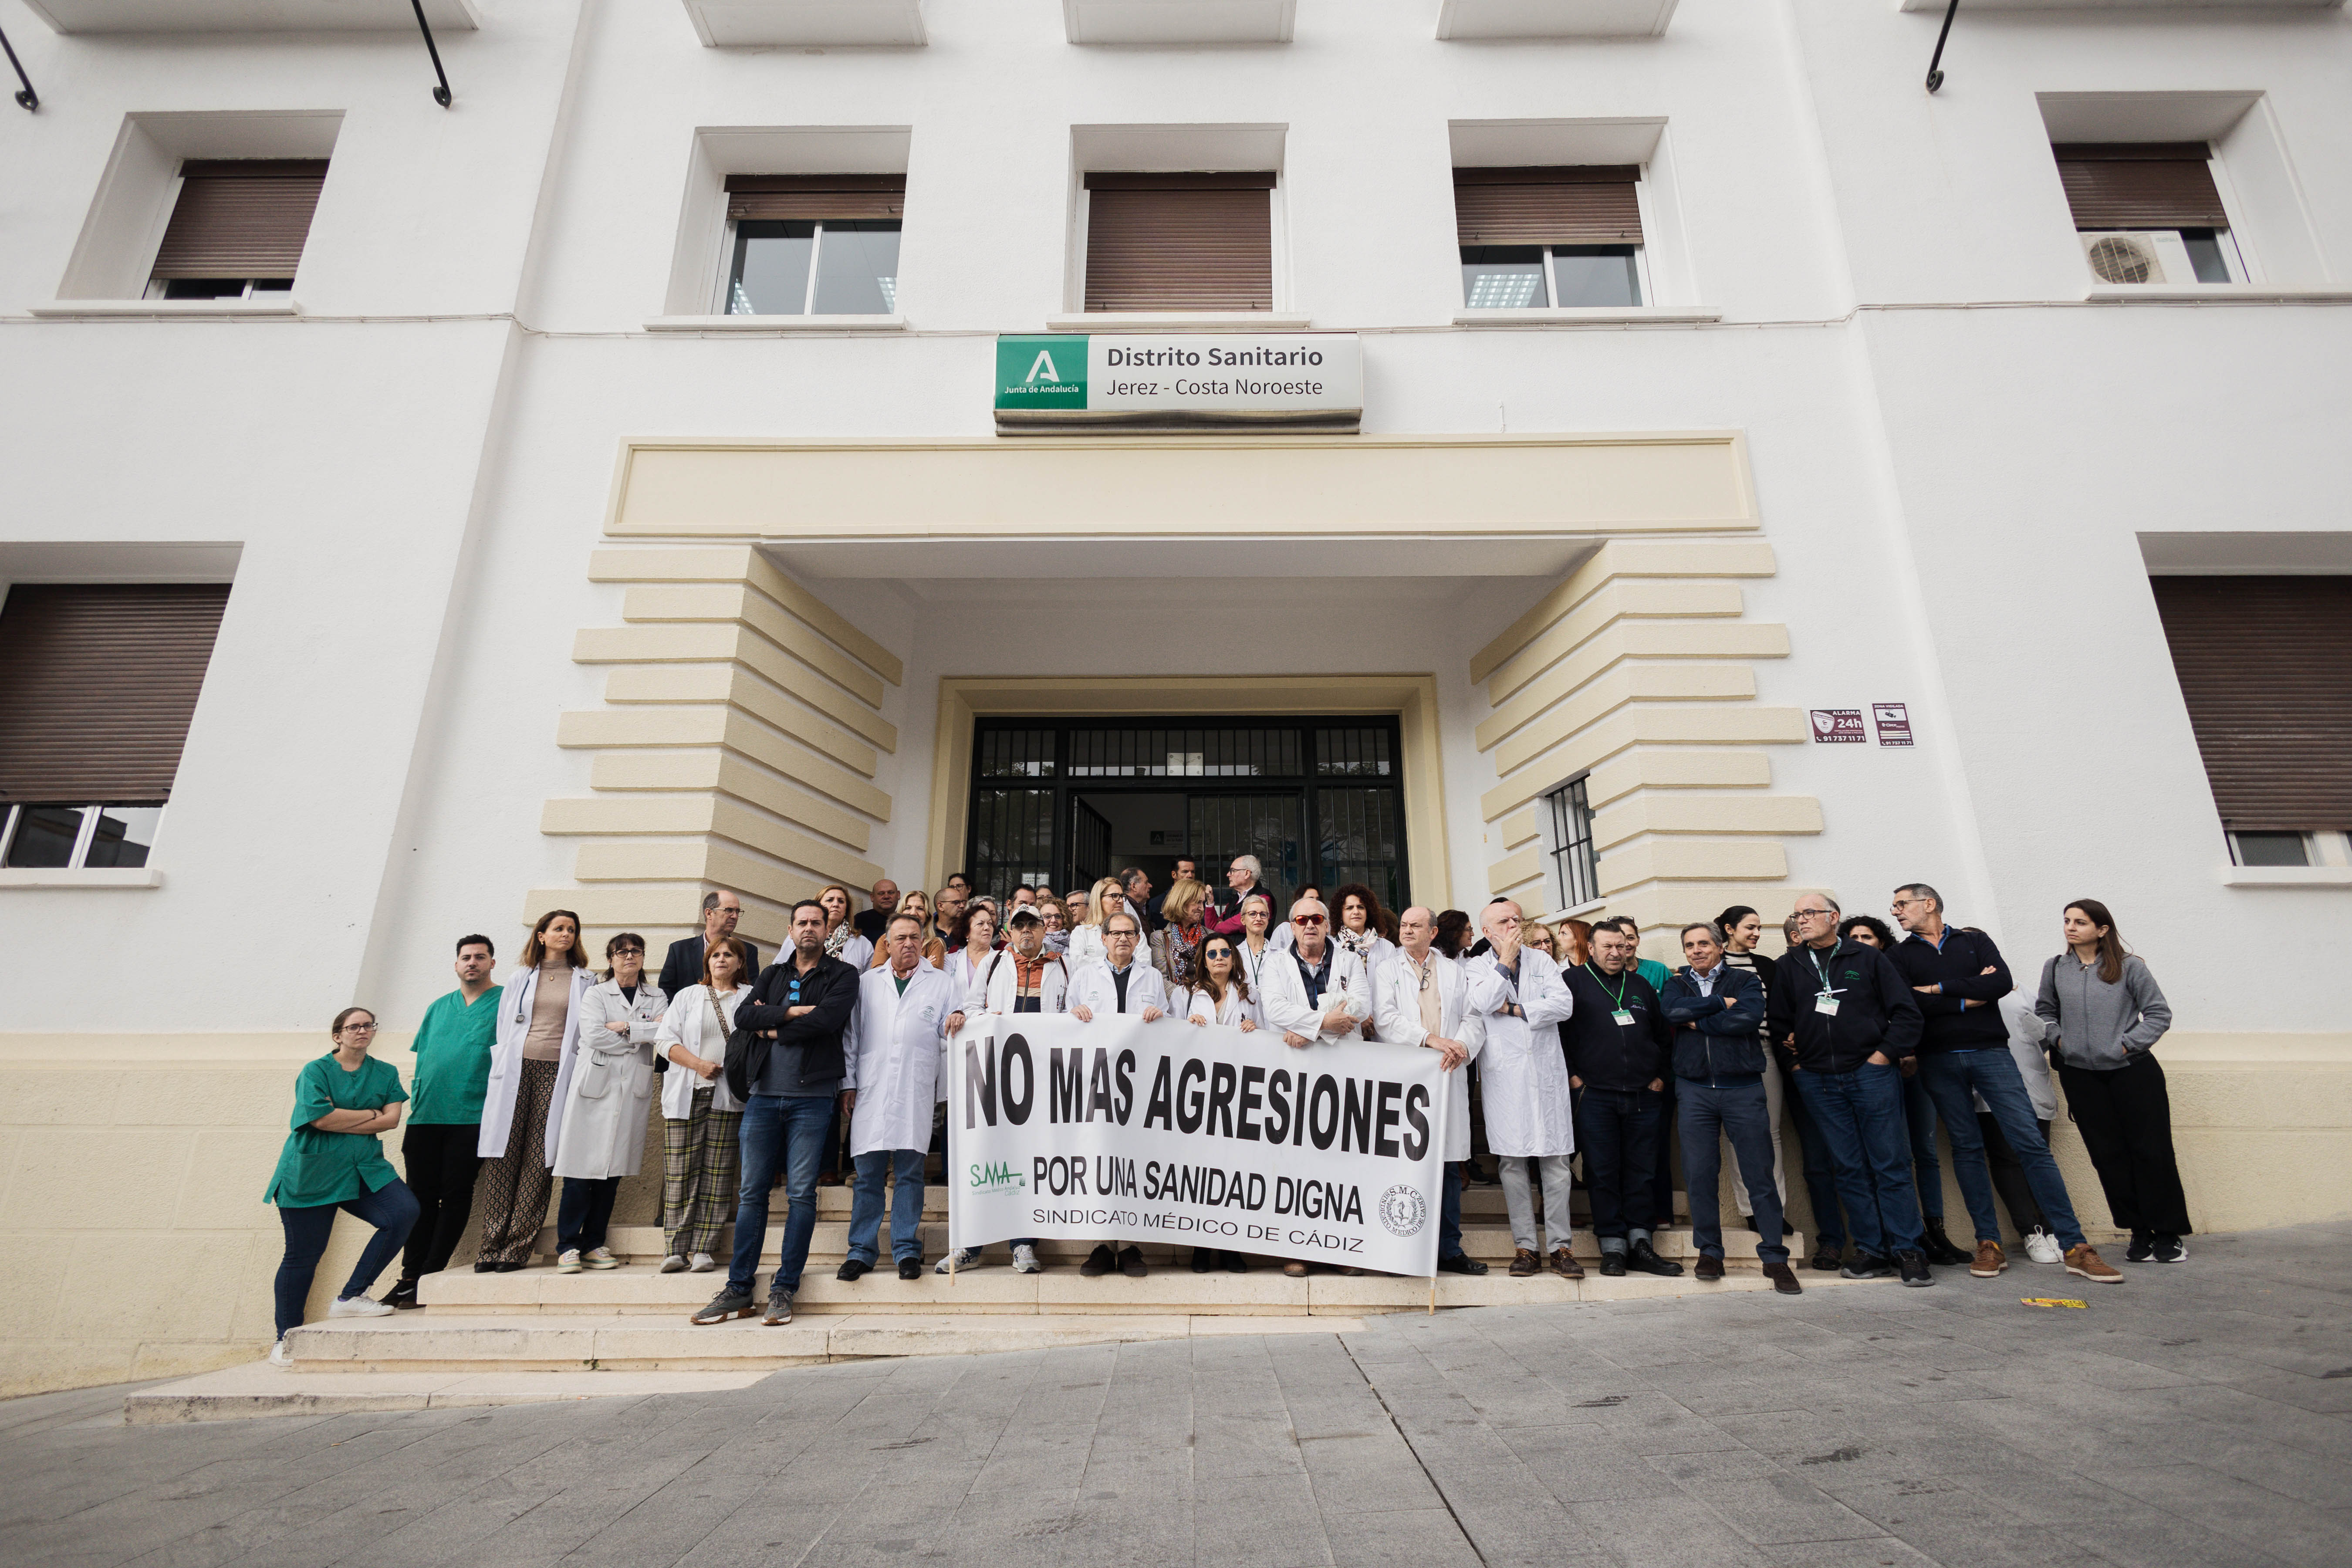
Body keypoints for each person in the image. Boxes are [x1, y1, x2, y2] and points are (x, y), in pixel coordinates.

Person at [1890, 883, 2119, 1285]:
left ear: (1929, 904)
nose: (1895, 912)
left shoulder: (1974, 941)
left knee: (2029, 1143)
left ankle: (2075, 1245)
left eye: (1901, 904)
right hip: (1937, 1059)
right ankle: (1988, 1244)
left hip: (1992, 1055)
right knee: (1966, 1148)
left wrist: (1940, 989)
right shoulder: (1899, 955)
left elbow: (1999, 984)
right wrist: (1968, 995)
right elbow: (1909, 1004)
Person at [693, 901, 862, 1325]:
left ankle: (785, 1287)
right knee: (752, 1194)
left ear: (827, 930)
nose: (809, 928)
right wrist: (786, 1014)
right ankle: (738, 1289)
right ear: (791, 929)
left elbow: (826, 1022)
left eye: (816, 923)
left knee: (802, 1194)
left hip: (812, 1099)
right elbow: (743, 1014)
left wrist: (772, 1027)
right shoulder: (772, 973)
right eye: (802, 922)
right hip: (764, 1098)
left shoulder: (842, 974)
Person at [1767, 894, 1933, 1285]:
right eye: (1797, 914)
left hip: (1870, 1073)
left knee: (1890, 1163)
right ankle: (1872, 1250)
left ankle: (1908, 1249)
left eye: (1810, 913)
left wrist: (1883, 1056)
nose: (1802, 920)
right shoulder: (1788, 966)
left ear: (1833, 918)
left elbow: (1906, 1013)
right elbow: (1777, 1023)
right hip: (1818, 1080)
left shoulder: (1868, 958)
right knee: (1849, 1167)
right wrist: (1796, 1065)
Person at [2035, 899, 2188, 1265]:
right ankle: (2138, 1231)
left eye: (2081, 923)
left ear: (2102, 930)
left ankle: (2167, 1233)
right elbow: (2045, 1011)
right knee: (2108, 1157)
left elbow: (2158, 1013)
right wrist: (2058, 1040)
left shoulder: (2129, 967)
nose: (2071, 928)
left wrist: (2126, 1045)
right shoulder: (2056, 968)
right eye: (2068, 921)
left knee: (2151, 1152)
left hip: (2132, 1072)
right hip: (2081, 1076)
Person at [264, 1008, 419, 1363]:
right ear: (338, 1035)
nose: (362, 1031)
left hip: (364, 1169)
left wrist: (343, 1118)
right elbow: (318, 1118)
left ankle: (351, 1297)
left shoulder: (385, 1073)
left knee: (403, 1213)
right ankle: (284, 1339)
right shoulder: (316, 1071)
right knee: (303, 1257)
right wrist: (370, 1114)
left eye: (368, 1025)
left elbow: (392, 1120)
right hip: (312, 1172)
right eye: (353, 1026)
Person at [1661, 924, 1799, 1294]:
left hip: (1743, 1089)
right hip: (1694, 1091)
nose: (1696, 951)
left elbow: (1749, 1020)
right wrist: (1720, 1005)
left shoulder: (1745, 981)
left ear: (1720, 946)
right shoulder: (1676, 984)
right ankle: (1710, 1251)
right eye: (1689, 946)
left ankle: (1774, 1258)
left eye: (1703, 943)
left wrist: (1697, 1019)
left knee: (1760, 1176)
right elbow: (1670, 1014)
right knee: (1700, 1174)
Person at [935, 904, 1066, 1275]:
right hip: (998, 1072)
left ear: (1044, 930)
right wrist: (974, 1018)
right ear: (1009, 932)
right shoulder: (994, 964)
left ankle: (1023, 1244)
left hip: (1044, 1075)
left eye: (1033, 926)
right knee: (988, 1155)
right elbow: (972, 1007)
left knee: (1031, 1157)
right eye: (1019, 926)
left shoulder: (1063, 966)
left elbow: (1072, 1014)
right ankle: (969, 1244)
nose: (1027, 932)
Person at [1465, 899, 1581, 1280]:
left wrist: (1516, 1010)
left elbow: (1563, 1005)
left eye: (1518, 918)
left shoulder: (1542, 961)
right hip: (1506, 1076)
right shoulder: (1477, 967)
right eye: (1505, 920)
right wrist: (1504, 964)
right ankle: (1526, 1248)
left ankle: (1561, 1247)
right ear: (1487, 932)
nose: (1514, 924)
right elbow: (1483, 1001)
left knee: (1557, 1164)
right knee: (1512, 1165)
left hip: (1545, 1073)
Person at [383, 935, 500, 1310]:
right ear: (456, 965)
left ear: (492, 963)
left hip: (472, 1116)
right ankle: (409, 1276)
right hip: (426, 1117)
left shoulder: (505, 1004)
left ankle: (430, 1276)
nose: (472, 963)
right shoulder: (438, 1007)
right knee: (418, 1199)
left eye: (480, 957)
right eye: (466, 958)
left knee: (454, 1195)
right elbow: (427, 1057)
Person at [475, 910, 595, 1271]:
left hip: (557, 1072)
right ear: (541, 935)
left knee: (539, 1160)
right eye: (559, 928)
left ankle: (516, 1247)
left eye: (572, 930)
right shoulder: (520, 978)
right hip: (517, 1070)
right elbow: (503, 1029)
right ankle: (490, 1246)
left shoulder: (585, 980)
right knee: (504, 1155)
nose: (566, 934)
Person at [1845, 912, 1967, 1269]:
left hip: (1909, 1066)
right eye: (1852, 938)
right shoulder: (1845, 974)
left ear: (1882, 942)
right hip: (1874, 1070)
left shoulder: (1893, 967)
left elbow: (1913, 1010)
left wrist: (1904, 1051)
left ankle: (1932, 1233)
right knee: (1884, 1157)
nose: (1859, 943)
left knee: (1922, 1152)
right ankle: (1896, 1237)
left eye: (1867, 937)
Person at [1373, 907, 1488, 1277]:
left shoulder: (1455, 971)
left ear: (1433, 932)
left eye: (1415, 926)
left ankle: (1449, 1249)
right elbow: (1386, 1019)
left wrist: (1459, 1047)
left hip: (1446, 1072)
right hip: (1407, 1074)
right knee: (1404, 1164)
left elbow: (1474, 1018)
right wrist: (1430, 1040)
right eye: (1404, 925)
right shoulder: (1386, 969)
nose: (1406, 930)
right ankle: (1403, 1249)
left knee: (1448, 1168)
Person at [1561, 923, 1679, 1277]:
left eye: (1621, 946)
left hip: (1644, 1094)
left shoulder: (1642, 985)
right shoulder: (1573, 982)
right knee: (1603, 1171)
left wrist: (1661, 1077)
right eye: (1607, 947)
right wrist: (1574, 1078)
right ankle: (1612, 1245)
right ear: (1592, 949)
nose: (1616, 953)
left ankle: (1642, 1244)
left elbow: (1663, 1036)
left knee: (1642, 1171)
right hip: (1595, 1095)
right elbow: (1558, 1036)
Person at [551, 933, 665, 1273]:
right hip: (594, 1088)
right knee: (578, 1170)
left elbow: (663, 1031)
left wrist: (624, 1028)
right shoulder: (596, 994)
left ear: (643, 957)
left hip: (631, 1088)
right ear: (611, 958)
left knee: (612, 1172)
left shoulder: (657, 995)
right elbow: (592, 1034)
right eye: (622, 952)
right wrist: (639, 1032)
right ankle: (568, 1245)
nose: (629, 957)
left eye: (635, 951)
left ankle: (594, 1243)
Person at [1067, 910, 1169, 1278]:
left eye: (1130, 933)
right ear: (1104, 938)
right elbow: (1065, 1027)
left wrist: (1161, 1013)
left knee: (1132, 1162)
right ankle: (1101, 1245)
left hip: (1137, 1082)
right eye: (1116, 933)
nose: (1123, 939)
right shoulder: (1083, 976)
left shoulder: (1153, 977)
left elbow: (1167, 1022)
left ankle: (1128, 1246)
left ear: (1139, 940)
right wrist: (1074, 1013)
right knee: (1098, 1160)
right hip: (1095, 1081)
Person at [653, 935, 751, 1272]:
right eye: (715, 955)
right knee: (680, 1171)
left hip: (728, 1096)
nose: (721, 960)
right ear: (707, 962)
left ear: (740, 963)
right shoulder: (689, 996)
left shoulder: (752, 998)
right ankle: (675, 1248)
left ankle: (705, 1249)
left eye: (729, 955)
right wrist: (700, 1066)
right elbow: (665, 1042)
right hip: (688, 1091)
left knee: (718, 1172)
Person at [1721, 903, 1813, 1260]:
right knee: (1736, 1135)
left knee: (1771, 1132)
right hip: (1731, 1052)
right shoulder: (1716, 963)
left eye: (1760, 928)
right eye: (1750, 927)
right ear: (1729, 930)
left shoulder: (1767, 966)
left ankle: (1774, 1209)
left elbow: (1780, 1009)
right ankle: (1751, 1211)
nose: (1757, 933)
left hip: (1766, 1052)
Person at [1179, 933, 1263, 1274]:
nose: (1218, 957)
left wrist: (1254, 1027)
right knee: (1201, 1171)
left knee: (1234, 1170)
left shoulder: (1251, 995)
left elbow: (1269, 1036)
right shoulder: (1188, 995)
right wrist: (1187, 1024)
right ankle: (1201, 1248)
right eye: (1212, 952)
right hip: (1198, 1092)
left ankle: (1231, 1248)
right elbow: (1170, 1036)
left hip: (1238, 1092)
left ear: (1234, 957)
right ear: (1203, 958)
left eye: (1225, 952)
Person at [1984, 979, 2064, 1265]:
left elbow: (2045, 1033)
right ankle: (2030, 1231)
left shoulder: (2020, 992)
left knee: (2039, 1155)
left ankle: (2055, 1228)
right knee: (2006, 1159)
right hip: (1987, 1091)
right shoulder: (1956, 993)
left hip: (2032, 1085)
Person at [658, 890, 761, 1000]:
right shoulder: (680, 950)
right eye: (729, 910)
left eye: (737, 911)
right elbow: (666, 992)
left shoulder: (747, 951)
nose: (735, 916)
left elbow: (750, 994)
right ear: (709, 913)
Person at [1150, 877, 1212, 994]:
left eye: (1202, 903)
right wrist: (1183, 1000)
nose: (1202, 908)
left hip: (1206, 1002)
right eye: (1198, 902)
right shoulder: (1160, 938)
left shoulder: (1210, 937)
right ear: (1183, 901)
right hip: (1175, 1005)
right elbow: (1161, 979)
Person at [1207, 854, 1277, 936]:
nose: (1228, 875)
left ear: (1247, 874)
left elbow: (1243, 922)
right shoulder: (1234, 901)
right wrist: (1210, 903)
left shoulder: (1264, 897)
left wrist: (1220, 927)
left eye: (1233, 871)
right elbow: (1211, 929)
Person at [1067, 876, 1129, 970]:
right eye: (1115, 896)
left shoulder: (1134, 931)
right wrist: (1116, 963)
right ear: (1098, 900)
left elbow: (1143, 963)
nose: (1120, 901)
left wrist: (1094, 961)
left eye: (1122, 896)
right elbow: (1077, 963)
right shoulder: (1081, 932)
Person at [944, 903, 999, 998]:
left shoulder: (1002, 960)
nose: (987, 928)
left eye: (990, 924)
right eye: (980, 924)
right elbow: (946, 995)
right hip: (954, 1012)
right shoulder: (950, 961)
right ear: (967, 933)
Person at [818, 883, 875, 972]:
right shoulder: (802, 936)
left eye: (841, 901)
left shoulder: (863, 944)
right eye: (830, 900)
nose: (836, 904)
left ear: (846, 910)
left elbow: (868, 980)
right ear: (818, 907)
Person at [1233, 891, 1279, 994]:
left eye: (1263, 915)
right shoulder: (1234, 954)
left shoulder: (1281, 954)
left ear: (1268, 920)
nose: (1258, 919)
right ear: (1243, 920)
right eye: (1252, 914)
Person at [1268, 884, 1322, 954]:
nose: (1316, 902)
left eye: (1318, 899)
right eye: (1311, 899)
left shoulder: (1324, 926)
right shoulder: (1285, 929)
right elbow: (1274, 956)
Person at [853, 878, 899, 942]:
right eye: (881, 894)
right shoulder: (860, 920)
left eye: (891, 893)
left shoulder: (904, 921)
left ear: (898, 895)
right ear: (872, 897)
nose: (886, 897)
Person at [1120, 867, 1160, 936]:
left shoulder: (1142, 907)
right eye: (1146, 882)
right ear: (1134, 887)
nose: (1150, 886)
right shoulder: (1122, 908)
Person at [932, 886, 967, 950]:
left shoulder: (968, 929)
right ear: (941, 906)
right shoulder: (927, 931)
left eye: (963, 902)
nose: (962, 906)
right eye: (956, 903)